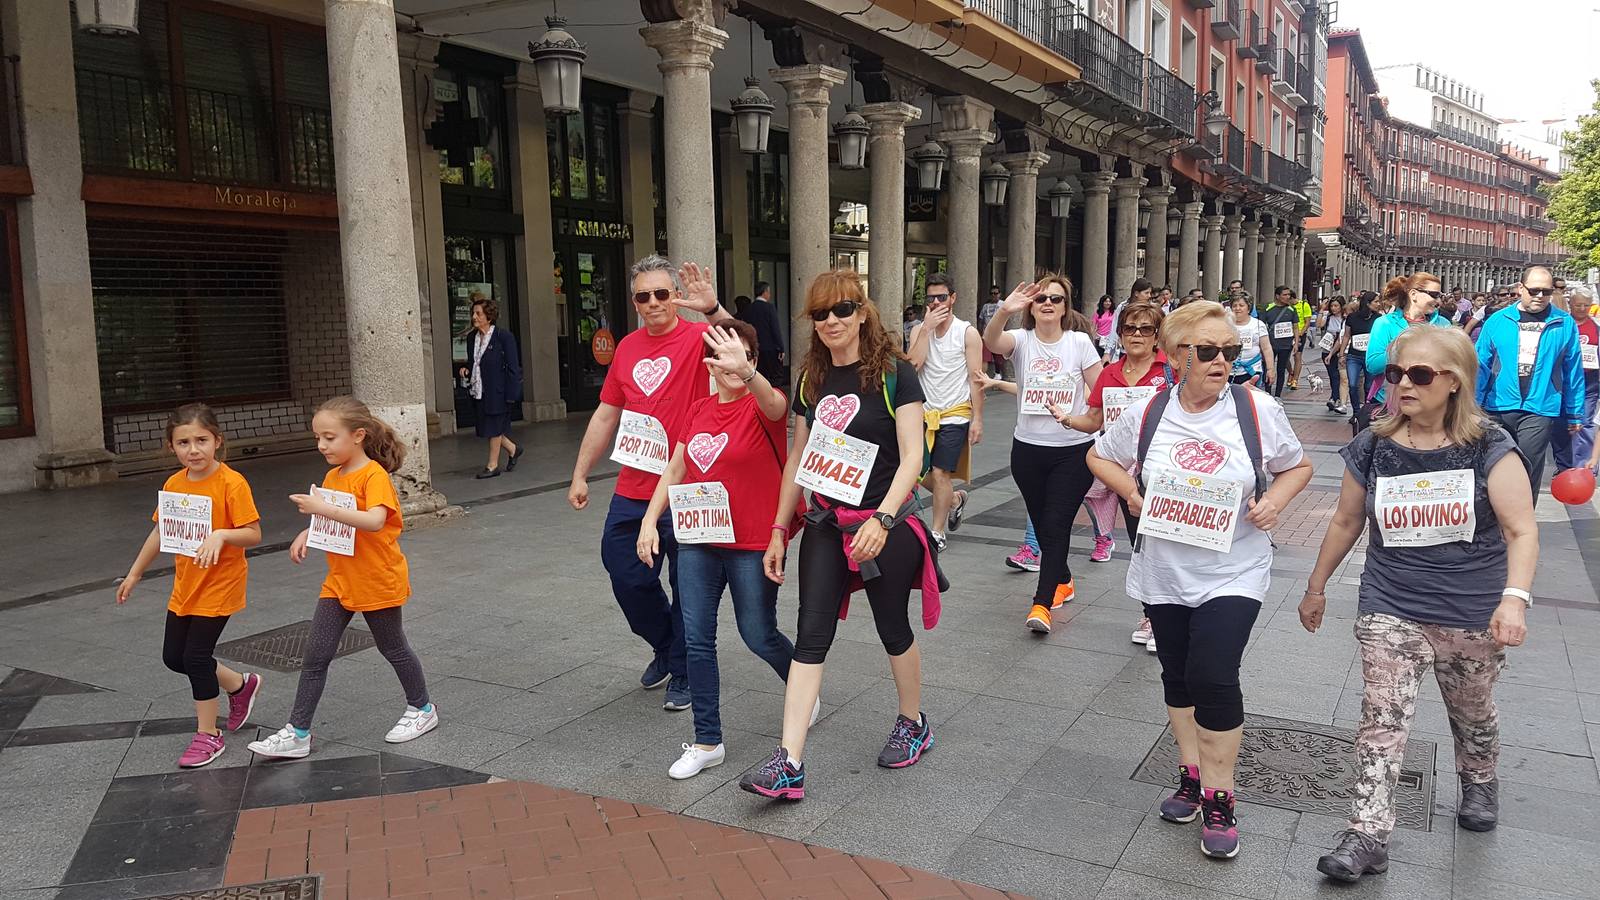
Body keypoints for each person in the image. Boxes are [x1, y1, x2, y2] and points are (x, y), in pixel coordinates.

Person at [1299, 325, 1536, 883]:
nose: (1403, 384)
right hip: (1390, 602)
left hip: (1470, 608)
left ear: (1454, 382)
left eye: (1419, 375)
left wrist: (1514, 601)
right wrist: (1316, 586)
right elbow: (1346, 520)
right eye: (1396, 373)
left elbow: (1521, 530)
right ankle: (1366, 834)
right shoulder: (1374, 444)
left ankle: (1479, 780)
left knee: (1472, 709)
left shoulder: (1490, 446)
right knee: (1381, 719)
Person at [1088, 301, 1313, 860]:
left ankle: (1221, 796)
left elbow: (1298, 465)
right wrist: (1133, 493)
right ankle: (1190, 774)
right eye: (1207, 351)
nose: (1221, 362)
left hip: (1234, 567)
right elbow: (1100, 456)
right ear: (1175, 355)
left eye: (1230, 352)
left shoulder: (1255, 409)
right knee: (1179, 674)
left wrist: (1275, 502)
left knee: (1214, 674)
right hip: (1164, 567)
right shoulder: (1148, 413)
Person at [739, 271, 940, 800]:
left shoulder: (896, 375)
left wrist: (885, 519)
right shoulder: (811, 378)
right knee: (810, 634)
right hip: (827, 523)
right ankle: (790, 761)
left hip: (881, 523)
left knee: (892, 627)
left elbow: (913, 456)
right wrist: (781, 528)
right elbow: (799, 460)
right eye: (821, 314)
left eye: (843, 310)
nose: (832, 321)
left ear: (863, 313)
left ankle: (913, 721)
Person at [637, 321, 810, 780]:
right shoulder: (697, 411)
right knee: (696, 639)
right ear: (710, 363)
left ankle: (802, 687)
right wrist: (650, 520)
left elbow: (778, 405)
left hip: (752, 543)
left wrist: (748, 373)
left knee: (758, 634)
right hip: (697, 541)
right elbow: (674, 469)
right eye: (723, 355)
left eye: (744, 354)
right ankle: (706, 739)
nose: (734, 363)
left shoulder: (763, 404)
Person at [568, 256, 734, 713]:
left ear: (676, 296)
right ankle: (665, 644)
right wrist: (581, 472)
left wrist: (713, 308)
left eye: (663, 293)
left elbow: (744, 349)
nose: (655, 302)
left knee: (689, 585)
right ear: (635, 302)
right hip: (634, 486)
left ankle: (683, 669)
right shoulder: (626, 348)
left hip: (691, 485)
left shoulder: (701, 337)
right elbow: (606, 412)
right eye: (645, 295)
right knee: (625, 573)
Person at [249, 397, 436, 760]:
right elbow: (335, 519)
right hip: (339, 580)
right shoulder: (333, 476)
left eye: (329, 437)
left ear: (358, 436)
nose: (322, 445)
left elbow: (374, 520)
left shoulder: (373, 476)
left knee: (393, 648)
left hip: (376, 579)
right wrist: (311, 530)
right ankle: (298, 731)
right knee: (315, 655)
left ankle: (423, 709)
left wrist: (322, 509)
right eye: (318, 437)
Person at [117, 404, 264, 768]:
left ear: (217, 441)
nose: (193, 449)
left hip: (221, 584)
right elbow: (161, 530)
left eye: (201, 440)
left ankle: (208, 735)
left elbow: (254, 534)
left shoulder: (232, 483)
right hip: (187, 584)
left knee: (196, 658)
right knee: (174, 658)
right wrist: (135, 573)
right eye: (183, 442)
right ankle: (239, 685)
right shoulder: (174, 484)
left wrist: (222, 535)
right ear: (171, 447)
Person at [984, 276, 1103, 633]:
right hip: (1028, 452)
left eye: (1056, 298)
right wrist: (1005, 310)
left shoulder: (1079, 342)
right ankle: (1063, 578)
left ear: (1066, 307)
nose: (1048, 303)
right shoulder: (1021, 341)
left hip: (1073, 451)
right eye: (1041, 299)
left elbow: (1100, 391)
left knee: (1055, 523)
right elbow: (992, 341)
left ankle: (1041, 603)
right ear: (1031, 308)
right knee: (1044, 522)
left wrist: (1085, 418)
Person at [1082, 302, 1172, 653]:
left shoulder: (1170, 371)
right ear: (1119, 334)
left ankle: (1168, 615)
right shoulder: (1109, 373)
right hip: (1123, 472)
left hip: (1163, 468)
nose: (1136, 334)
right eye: (1130, 328)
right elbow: (1093, 420)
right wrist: (1066, 420)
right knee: (1141, 542)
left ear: (1157, 337)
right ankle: (1151, 614)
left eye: (1145, 329)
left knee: (1164, 541)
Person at [1475, 265, 1584, 498]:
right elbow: (1479, 365)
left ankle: (1522, 527)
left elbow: (1573, 370)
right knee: (1494, 467)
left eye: (1546, 291)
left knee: (1527, 469)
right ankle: (1495, 524)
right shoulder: (1497, 321)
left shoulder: (1564, 323)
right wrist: (1472, 405)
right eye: (1534, 290)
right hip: (1498, 406)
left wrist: (1575, 413)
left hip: (1541, 407)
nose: (1540, 296)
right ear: (1520, 288)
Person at [906, 272, 983, 549]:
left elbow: (977, 378)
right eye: (931, 298)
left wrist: (978, 418)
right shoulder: (918, 330)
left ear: (953, 298)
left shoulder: (967, 332)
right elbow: (913, 365)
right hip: (924, 413)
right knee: (915, 470)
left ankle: (937, 532)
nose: (936, 303)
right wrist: (925, 330)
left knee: (940, 473)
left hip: (955, 413)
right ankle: (953, 499)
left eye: (942, 297)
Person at [457, 298, 524, 479]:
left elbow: (513, 367)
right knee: (488, 426)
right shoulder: (472, 338)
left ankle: (493, 465)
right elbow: (475, 363)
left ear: (489, 316)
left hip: (498, 391)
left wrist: (512, 394)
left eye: (478, 313)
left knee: (494, 427)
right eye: (474, 313)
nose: (474, 317)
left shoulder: (504, 337)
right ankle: (513, 449)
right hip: (479, 390)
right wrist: (466, 369)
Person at [1366, 273, 1451, 406]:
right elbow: (1373, 365)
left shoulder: (1443, 324)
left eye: (1440, 295)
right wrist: (1403, 347)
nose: (1438, 301)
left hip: (1431, 403)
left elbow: (1452, 363)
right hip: (1391, 402)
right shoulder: (1385, 323)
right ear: (1413, 294)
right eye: (1434, 295)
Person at [1556, 285, 1599, 473]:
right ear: (1570, 304)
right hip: (1564, 381)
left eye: (1586, 305)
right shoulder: (1563, 325)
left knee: (1585, 421)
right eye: (1578, 305)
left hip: (1589, 381)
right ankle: (1564, 464)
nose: (1582, 309)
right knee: (1561, 423)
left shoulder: (1596, 327)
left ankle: (1584, 465)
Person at [738, 280, 788, 388]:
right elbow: (775, 329)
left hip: (754, 347)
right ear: (765, 292)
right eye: (768, 292)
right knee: (775, 377)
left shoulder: (748, 309)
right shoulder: (769, 308)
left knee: (758, 376)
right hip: (770, 348)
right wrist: (781, 348)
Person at [1102, 278, 1156, 362]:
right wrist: (1107, 352)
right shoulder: (1123, 307)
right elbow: (1114, 329)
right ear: (1136, 293)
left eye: (1150, 293)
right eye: (1146, 293)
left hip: (1146, 351)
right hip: (1126, 351)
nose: (1149, 296)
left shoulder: (1152, 308)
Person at [1261, 286, 1300, 397]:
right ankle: (1268, 393)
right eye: (1284, 295)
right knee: (1269, 368)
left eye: (1289, 295)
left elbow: (1295, 327)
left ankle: (1278, 395)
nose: (1287, 297)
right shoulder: (1268, 308)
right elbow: (1261, 326)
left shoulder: (1292, 309)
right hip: (1270, 345)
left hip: (1286, 345)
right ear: (1277, 296)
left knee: (1281, 370)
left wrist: (1296, 343)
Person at [1229, 296, 1273, 386]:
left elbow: (1266, 348)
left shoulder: (1258, 324)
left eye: (1241, 305)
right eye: (1234, 306)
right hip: (1229, 370)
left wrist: (1270, 369)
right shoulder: (1225, 324)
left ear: (1248, 308)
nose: (1237, 308)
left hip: (1252, 369)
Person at [1322, 297, 1349, 415]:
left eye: (1336, 306)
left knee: (1337, 375)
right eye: (1332, 306)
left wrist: (1336, 351)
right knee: (1332, 375)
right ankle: (1335, 397)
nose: (1333, 308)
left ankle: (1335, 398)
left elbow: (1342, 338)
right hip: (1326, 348)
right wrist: (1322, 311)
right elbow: (1319, 325)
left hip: (1338, 350)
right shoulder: (1328, 318)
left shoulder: (1345, 320)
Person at [1290, 290, 1314, 390]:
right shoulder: (1287, 307)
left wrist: (1300, 333)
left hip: (1299, 334)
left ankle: (1295, 380)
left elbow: (1307, 322)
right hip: (1287, 334)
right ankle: (1291, 372)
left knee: (1297, 356)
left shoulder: (1304, 305)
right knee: (1285, 357)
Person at [980, 285, 1005, 377]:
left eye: (996, 293)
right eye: (992, 293)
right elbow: (981, 320)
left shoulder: (1003, 304)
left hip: (998, 334)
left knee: (998, 356)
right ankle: (983, 375)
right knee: (985, 356)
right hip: (986, 334)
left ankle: (998, 374)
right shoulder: (985, 306)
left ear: (999, 294)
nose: (994, 295)